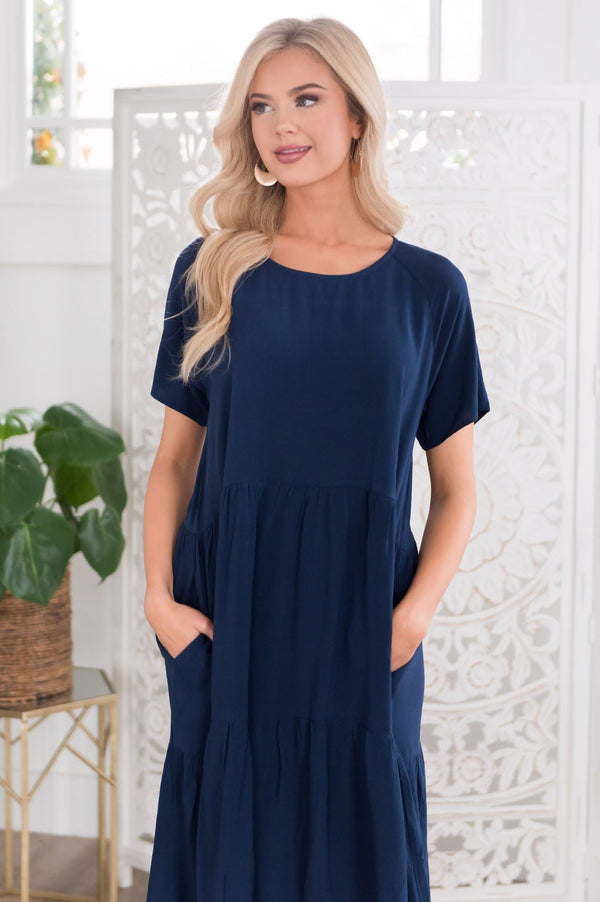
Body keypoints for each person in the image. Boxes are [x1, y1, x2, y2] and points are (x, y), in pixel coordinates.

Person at [143, 15, 490, 902]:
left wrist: (412, 618)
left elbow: (456, 490)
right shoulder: (214, 270)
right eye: (261, 107)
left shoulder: (429, 290)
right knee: (230, 844)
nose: (281, 125)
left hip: (366, 619)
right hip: (229, 613)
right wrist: (159, 601)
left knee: (362, 849)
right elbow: (175, 462)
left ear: (358, 116)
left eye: (305, 99)